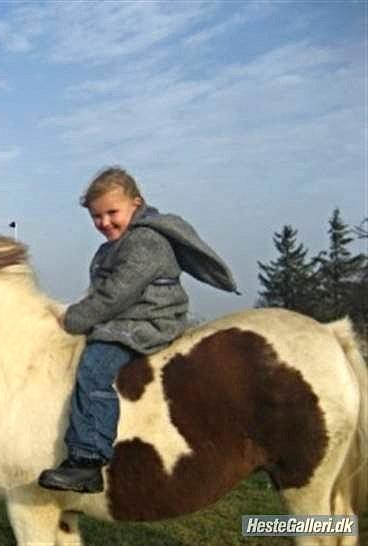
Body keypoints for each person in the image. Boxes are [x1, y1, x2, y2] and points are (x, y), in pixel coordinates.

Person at [38, 166, 237, 493]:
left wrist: (73, 319)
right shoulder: (111, 248)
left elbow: (116, 294)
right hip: (127, 317)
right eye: (96, 217)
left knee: (94, 366)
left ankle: (88, 458)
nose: (105, 223)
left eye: (112, 212)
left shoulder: (145, 241)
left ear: (137, 203)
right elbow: (101, 294)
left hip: (148, 322)